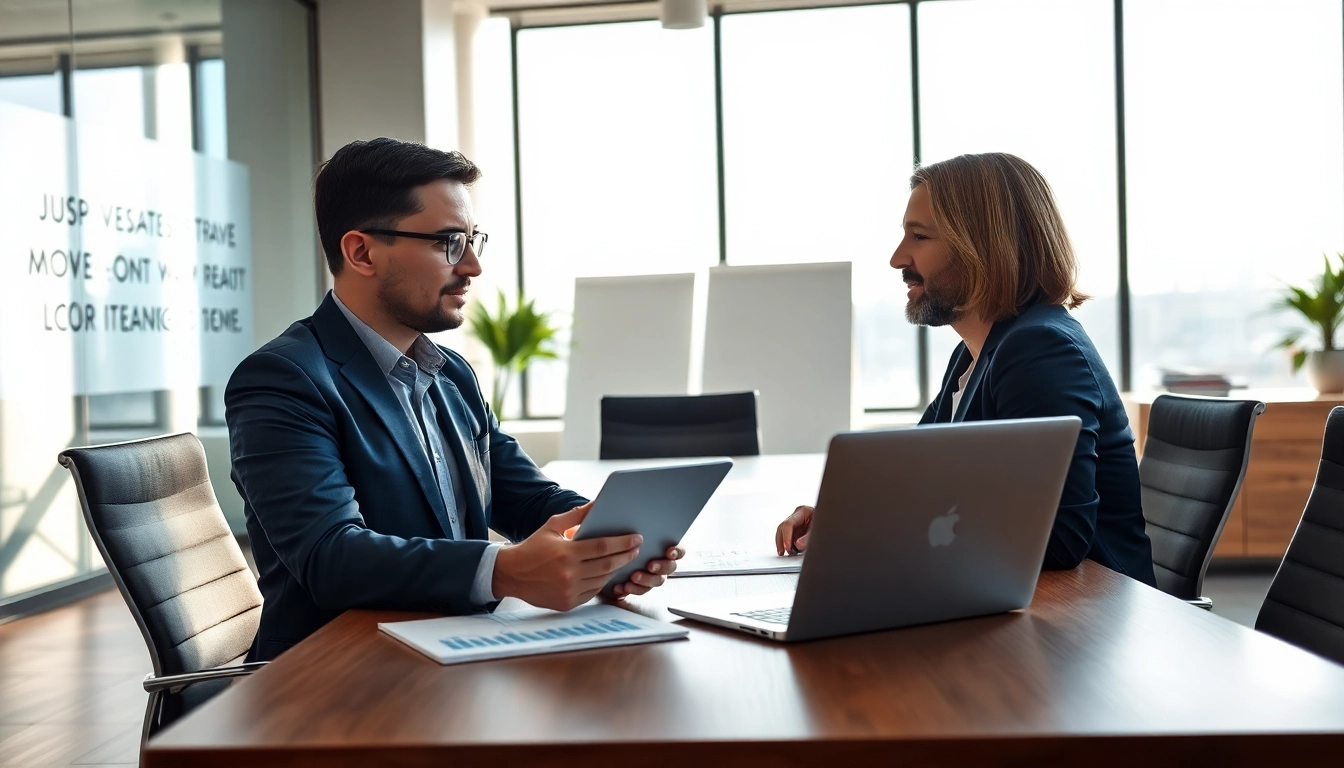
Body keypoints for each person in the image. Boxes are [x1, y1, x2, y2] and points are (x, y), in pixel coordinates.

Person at [227, 138, 681, 661]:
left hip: (453, 651)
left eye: (472, 240)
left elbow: (527, 499)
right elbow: (331, 556)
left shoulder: (452, 374)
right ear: (361, 252)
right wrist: (504, 570)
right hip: (334, 672)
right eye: (448, 242)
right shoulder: (283, 379)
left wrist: (609, 540)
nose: (472, 266)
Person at [776, 152, 1156, 585]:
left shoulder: (1041, 350)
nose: (898, 258)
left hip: (1086, 613)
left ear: (981, 248)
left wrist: (871, 532)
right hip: (1016, 599)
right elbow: (915, 481)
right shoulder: (974, 355)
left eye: (919, 237)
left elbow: (1058, 539)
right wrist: (842, 519)